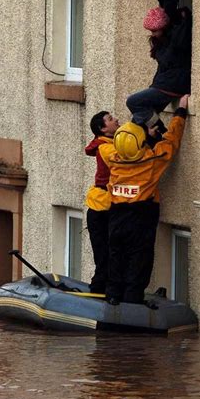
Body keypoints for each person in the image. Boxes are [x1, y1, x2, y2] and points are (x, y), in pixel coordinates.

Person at [100, 95, 189, 306]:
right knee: (139, 258)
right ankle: (132, 300)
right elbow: (171, 140)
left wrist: (144, 136)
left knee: (116, 255)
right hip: (141, 215)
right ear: (141, 144)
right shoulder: (151, 160)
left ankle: (112, 295)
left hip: (116, 215)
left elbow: (128, 147)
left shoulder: (113, 158)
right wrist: (181, 112)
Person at [126, 0, 193, 129]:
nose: (153, 34)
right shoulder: (162, 40)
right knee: (140, 117)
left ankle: (159, 133)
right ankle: (151, 138)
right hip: (166, 84)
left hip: (173, 85)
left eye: (155, 30)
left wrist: (179, 15)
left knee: (133, 102)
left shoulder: (175, 38)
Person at [84, 110, 119, 293]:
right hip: (101, 207)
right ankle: (99, 288)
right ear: (102, 128)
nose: (116, 120)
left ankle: (102, 286)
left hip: (102, 205)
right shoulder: (106, 147)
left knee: (107, 252)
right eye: (111, 119)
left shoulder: (109, 143)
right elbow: (123, 161)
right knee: (104, 253)